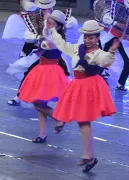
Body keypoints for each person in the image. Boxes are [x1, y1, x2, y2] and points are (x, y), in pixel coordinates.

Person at [46, 20, 120, 172]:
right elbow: (62, 44)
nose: (88, 40)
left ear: (97, 38)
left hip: (89, 87)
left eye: (91, 37)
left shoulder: (98, 53)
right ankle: (89, 156)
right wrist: (52, 29)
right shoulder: (77, 49)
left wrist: (113, 50)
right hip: (77, 85)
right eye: (86, 37)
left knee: (84, 121)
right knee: (82, 121)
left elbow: (106, 61)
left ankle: (89, 156)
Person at [6, 0, 78, 106]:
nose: (45, 9)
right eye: (43, 7)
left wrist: (52, 23)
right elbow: (30, 38)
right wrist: (38, 36)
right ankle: (19, 97)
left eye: (47, 7)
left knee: (64, 77)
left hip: (56, 55)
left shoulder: (58, 17)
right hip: (42, 54)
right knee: (29, 74)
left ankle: (66, 100)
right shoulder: (36, 18)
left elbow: (62, 28)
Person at [18, 10, 70, 143]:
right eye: (49, 22)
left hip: (47, 72)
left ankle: (58, 118)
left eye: (51, 23)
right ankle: (42, 134)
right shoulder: (54, 35)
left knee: (38, 105)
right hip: (47, 70)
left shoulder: (53, 39)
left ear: (58, 26)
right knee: (41, 104)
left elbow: (44, 46)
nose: (48, 24)